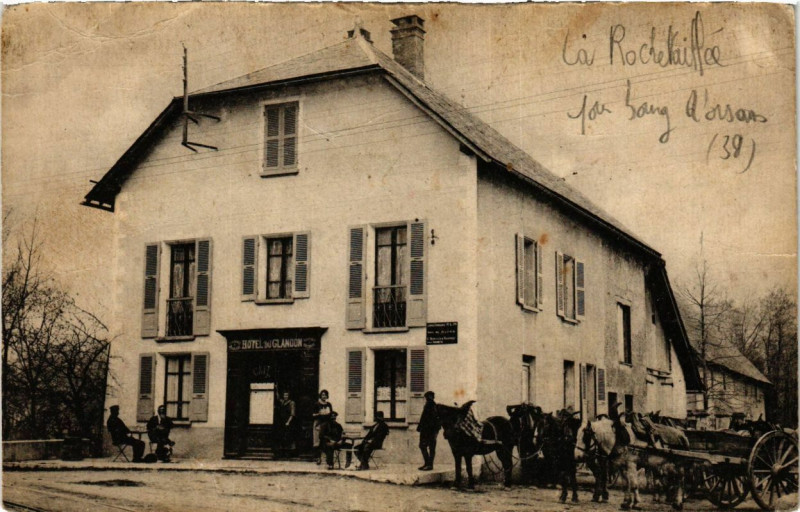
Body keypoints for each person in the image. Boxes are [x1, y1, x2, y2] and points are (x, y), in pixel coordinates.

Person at [417, 391, 441, 471]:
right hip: (428, 430)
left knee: (426, 446)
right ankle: (428, 464)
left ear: (430, 397)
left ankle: (429, 464)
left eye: (428, 397)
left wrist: (421, 427)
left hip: (428, 430)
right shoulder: (432, 405)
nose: (426, 398)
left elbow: (427, 418)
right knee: (428, 447)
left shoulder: (430, 405)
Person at [312, 389, 333, 464]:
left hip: (326, 424)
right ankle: (318, 458)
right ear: (320, 396)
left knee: (326, 441)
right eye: (322, 395)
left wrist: (329, 414)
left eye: (325, 395)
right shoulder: (317, 404)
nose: (324, 396)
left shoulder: (329, 404)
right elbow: (313, 415)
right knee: (317, 441)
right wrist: (319, 414)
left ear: (327, 396)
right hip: (318, 424)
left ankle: (328, 459)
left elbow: (331, 414)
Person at [276, 391, 297, 458]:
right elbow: (278, 398)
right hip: (282, 422)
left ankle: (290, 453)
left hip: (289, 422)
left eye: (287, 395)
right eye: (284, 395)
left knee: (289, 437)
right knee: (283, 436)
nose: (285, 397)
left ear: (289, 396)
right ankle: (283, 452)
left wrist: (288, 422)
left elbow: (292, 414)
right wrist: (276, 389)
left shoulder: (291, 403)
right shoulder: (282, 402)